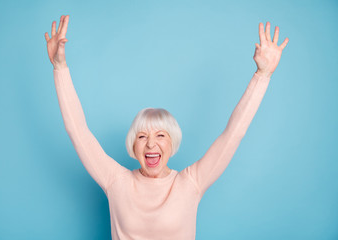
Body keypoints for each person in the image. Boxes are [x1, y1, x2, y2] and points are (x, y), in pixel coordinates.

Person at [44, 15, 289, 239]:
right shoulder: (116, 181)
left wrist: (262, 75)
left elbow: (234, 134)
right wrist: (60, 68)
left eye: (160, 135)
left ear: (172, 143)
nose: (151, 143)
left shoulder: (190, 183)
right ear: (133, 145)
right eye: (142, 136)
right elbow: (78, 131)